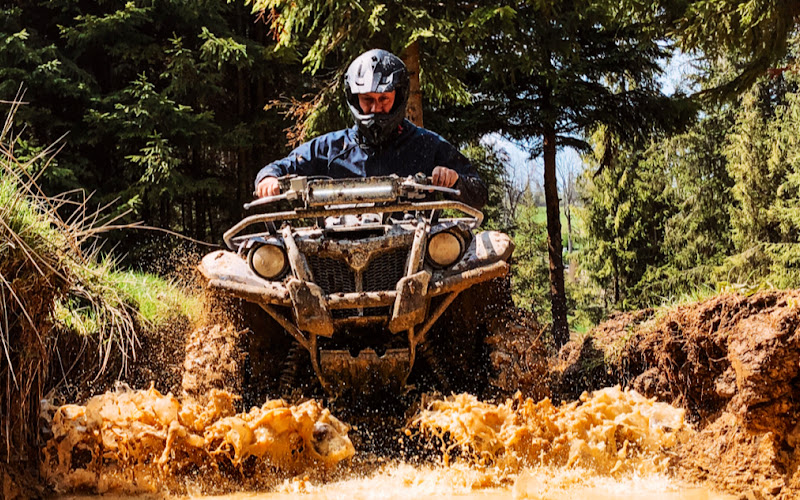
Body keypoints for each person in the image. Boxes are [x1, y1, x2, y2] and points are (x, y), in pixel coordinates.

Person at [254, 49, 488, 209]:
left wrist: (454, 179)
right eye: (367, 99)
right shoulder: (330, 148)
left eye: (384, 99)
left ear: (399, 97)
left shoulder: (427, 145)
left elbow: (479, 192)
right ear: (354, 98)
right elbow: (280, 167)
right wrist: (268, 179)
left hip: (418, 259)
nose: (376, 108)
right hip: (334, 255)